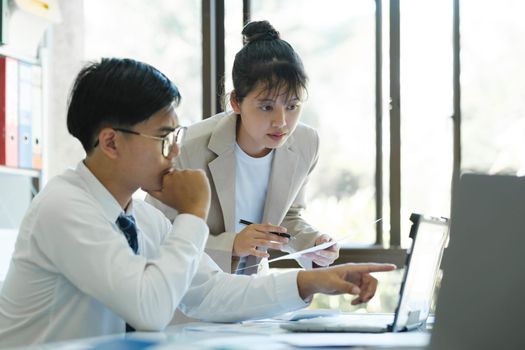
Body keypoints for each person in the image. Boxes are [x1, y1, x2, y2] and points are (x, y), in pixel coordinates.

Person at [0, 57, 395, 347]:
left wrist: (314, 280)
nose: (174, 153)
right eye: (164, 138)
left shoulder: (133, 216)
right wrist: (192, 212)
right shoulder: (65, 207)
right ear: (111, 142)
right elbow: (149, 309)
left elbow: (212, 291)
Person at [146, 20, 340, 275]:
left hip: (248, 294)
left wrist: (313, 243)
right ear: (236, 102)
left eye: (292, 106)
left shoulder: (305, 143)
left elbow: (287, 216)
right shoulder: (189, 148)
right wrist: (232, 245)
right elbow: (153, 233)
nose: (281, 122)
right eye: (266, 106)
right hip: (186, 293)